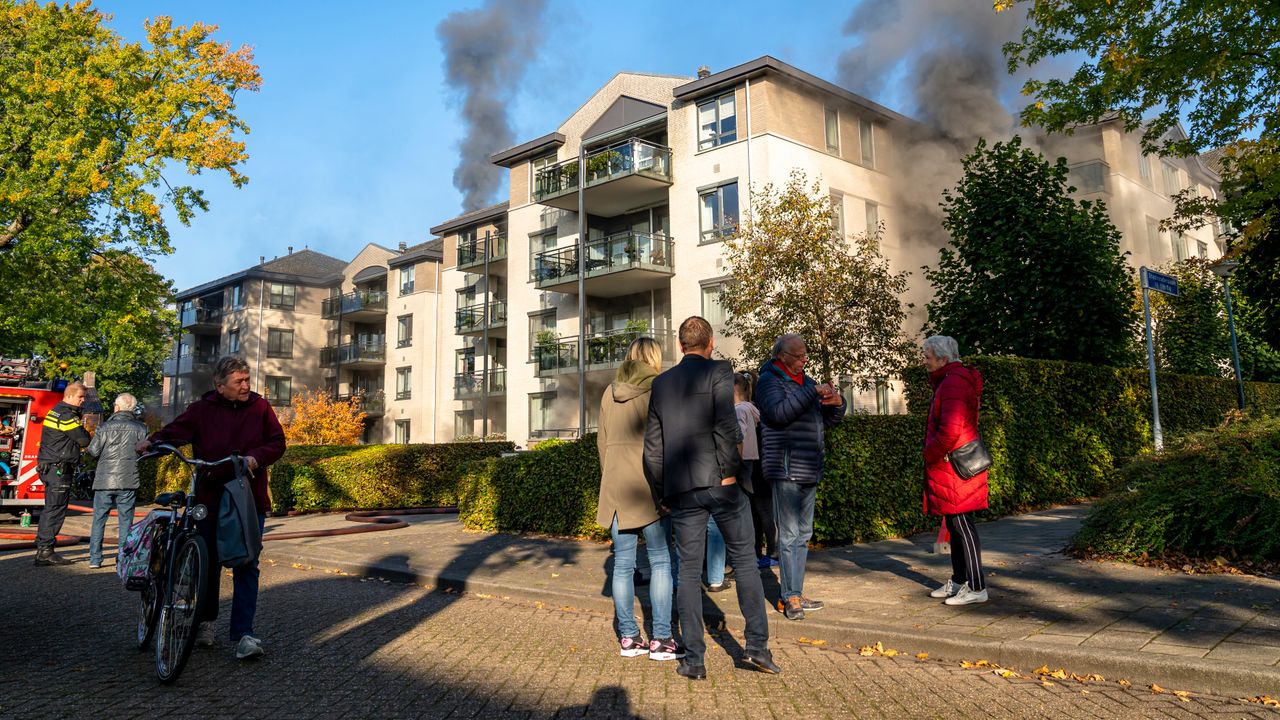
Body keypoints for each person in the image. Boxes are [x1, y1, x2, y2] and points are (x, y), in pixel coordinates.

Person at [643, 316, 780, 680]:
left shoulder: (661, 384)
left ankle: (695, 660)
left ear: (680, 343)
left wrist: (662, 492)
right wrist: (729, 470)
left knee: (687, 572)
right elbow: (726, 427)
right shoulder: (721, 371)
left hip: (682, 489)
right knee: (746, 563)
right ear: (711, 342)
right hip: (723, 484)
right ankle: (756, 648)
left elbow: (652, 449)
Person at [137, 356, 286, 659]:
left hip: (247, 497)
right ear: (220, 386)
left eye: (247, 380)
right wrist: (152, 442)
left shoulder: (260, 408)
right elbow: (177, 431)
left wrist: (255, 458)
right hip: (208, 496)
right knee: (207, 560)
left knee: (246, 562)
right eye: (239, 382)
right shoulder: (202, 410)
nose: (246, 386)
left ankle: (245, 634)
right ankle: (205, 622)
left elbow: (277, 442)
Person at [596, 337, 682, 662]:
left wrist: (612, 478)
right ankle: (661, 639)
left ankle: (629, 638)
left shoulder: (609, 391)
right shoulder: (661, 388)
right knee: (661, 561)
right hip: (650, 487)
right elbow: (668, 442)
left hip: (616, 487)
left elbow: (601, 443)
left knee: (621, 565)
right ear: (654, 359)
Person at [755, 334, 845, 621]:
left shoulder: (805, 382)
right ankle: (789, 597)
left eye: (806, 354)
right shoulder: (769, 381)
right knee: (790, 533)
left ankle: (796, 590)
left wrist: (837, 403)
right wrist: (811, 393)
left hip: (809, 467)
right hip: (785, 469)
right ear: (782, 356)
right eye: (799, 355)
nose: (804, 359)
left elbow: (823, 420)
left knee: (803, 534)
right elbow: (779, 413)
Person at [921, 335, 989, 606]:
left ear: (943, 359)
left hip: (954, 465)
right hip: (954, 463)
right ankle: (960, 580)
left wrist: (930, 454)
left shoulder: (953, 383)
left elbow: (950, 429)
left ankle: (977, 586)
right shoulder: (952, 380)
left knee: (962, 524)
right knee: (954, 522)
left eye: (927, 356)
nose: (924, 361)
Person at [33, 379, 100, 566]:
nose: (83, 401)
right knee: (55, 510)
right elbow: (83, 439)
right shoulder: (65, 415)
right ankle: (45, 551)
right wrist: (85, 431)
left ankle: (44, 548)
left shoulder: (59, 411)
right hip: (59, 468)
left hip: (54, 466)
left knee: (52, 508)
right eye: (80, 397)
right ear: (69, 395)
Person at [85, 393, 148, 569]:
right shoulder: (141, 428)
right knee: (126, 521)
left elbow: (93, 451)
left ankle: (95, 559)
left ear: (117, 407)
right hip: (128, 479)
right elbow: (146, 452)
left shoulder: (104, 427)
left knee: (99, 519)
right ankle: (123, 559)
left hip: (105, 480)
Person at [734, 373, 775, 569]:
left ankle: (764, 551)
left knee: (758, 512)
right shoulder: (758, 410)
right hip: (761, 464)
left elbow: (739, 437)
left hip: (752, 465)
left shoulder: (741, 411)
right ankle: (766, 551)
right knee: (762, 511)